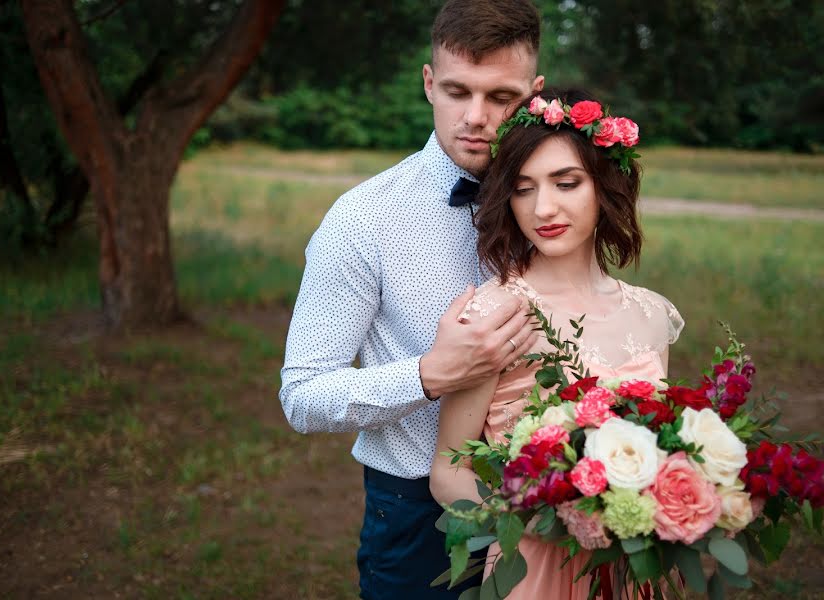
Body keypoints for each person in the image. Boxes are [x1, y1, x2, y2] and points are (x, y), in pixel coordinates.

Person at [278, 1, 545, 598]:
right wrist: (429, 375)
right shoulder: (363, 219)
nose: (476, 117)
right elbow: (301, 396)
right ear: (429, 84)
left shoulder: (560, 207)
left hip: (553, 511)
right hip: (416, 515)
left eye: (501, 97)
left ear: (535, 94)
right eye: (457, 91)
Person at [429, 90, 685, 599]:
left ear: (604, 187)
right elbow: (449, 470)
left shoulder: (653, 315)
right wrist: (546, 521)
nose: (543, 208)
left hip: (636, 565)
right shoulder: (493, 313)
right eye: (524, 190)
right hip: (537, 566)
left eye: (566, 183)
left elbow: (663, 445)